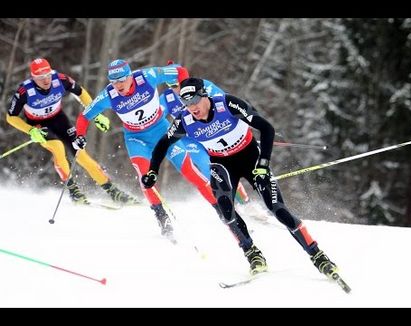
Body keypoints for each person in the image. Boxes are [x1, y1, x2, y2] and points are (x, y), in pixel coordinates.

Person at [142, 77, 340, 278]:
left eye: (194, 100)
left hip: (251, 157)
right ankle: (252, 254)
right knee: (226, 213)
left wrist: (263, 164)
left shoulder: (227, 104)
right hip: (222, 164)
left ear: (204, 95)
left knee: (278, 210)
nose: (191, 107)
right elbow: (162, 144)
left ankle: (318, 256)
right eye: (186, 102)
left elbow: (266, 128)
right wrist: (152, 171)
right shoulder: (185, 120)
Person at [73, 59, 221, 239]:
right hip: (136, 139)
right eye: (114, 81)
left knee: (190, 171)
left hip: (162, 131)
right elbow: (84, 117)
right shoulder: (108, 95)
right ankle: (162, 218)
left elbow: (180, 70)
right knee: (145, 177)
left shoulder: (148, 76)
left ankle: (222, 210)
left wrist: (184, 91)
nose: (118, 85)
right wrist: (80, 135)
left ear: (130, 76)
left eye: (122, 79)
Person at [6, 58, 137, 205]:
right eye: (41, 77)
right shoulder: (24, 91)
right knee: (58, 147)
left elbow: (81, 92)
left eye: (48, 75)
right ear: (33, 77)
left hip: (58, 119)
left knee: (80, 154)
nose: (46, 80)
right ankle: (73, 190)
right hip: (38, 125)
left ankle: (113, 192)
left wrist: (96, 114)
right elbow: (11, 117)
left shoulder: (60, 79)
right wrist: (30, 130)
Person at [160, 62, 250, 205]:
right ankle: (233, 205)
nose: (177, 90)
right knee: (209, 168)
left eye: (178, 84)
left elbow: (226, 103)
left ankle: (245, 202)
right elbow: (156, 116)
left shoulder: (203, 86)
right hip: (190, 139)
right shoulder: (167, 98)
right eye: (172, 86)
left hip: (212, 133)